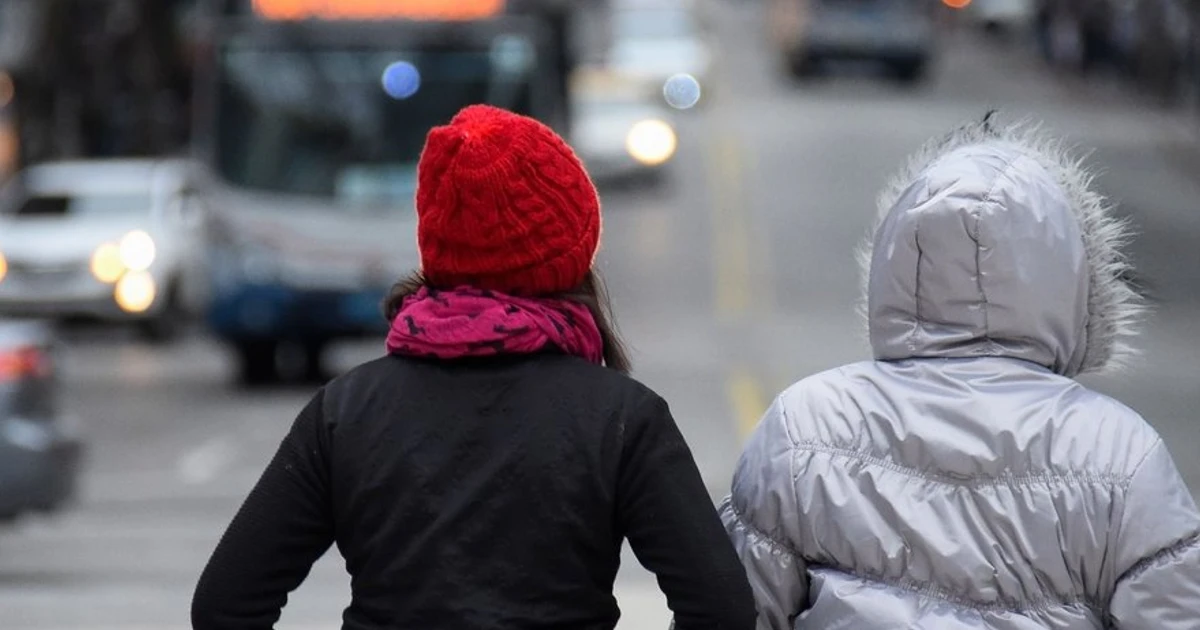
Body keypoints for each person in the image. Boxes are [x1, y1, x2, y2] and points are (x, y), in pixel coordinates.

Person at [192, 104, 756, 630]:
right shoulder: (622, 417)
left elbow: (225, 604)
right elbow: (722, 608)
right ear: (569, 253)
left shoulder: (344, 412)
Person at [720, 114, 1200, 628]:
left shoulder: (803, 426)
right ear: (1072, 277)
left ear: (897, 260)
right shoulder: (1121, 453)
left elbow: (735, 609)